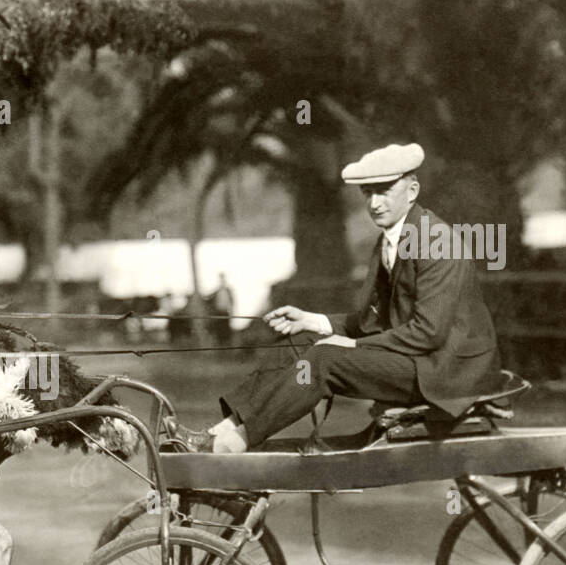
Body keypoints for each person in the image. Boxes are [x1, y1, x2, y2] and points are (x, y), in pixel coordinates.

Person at [176, 143, 502, 452]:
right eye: (368, 192)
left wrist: (353, 347)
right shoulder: (392, 240)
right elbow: (370, 322)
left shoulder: (436, 240)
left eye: (385, 191)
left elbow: (429, 332)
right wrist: (312, 321)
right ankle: (220, 431)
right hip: (417, 359)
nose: (375, 203)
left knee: (324, 360)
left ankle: (237, 442)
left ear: (412, 190)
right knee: (299, 341)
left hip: (445, 373)